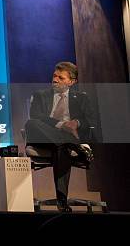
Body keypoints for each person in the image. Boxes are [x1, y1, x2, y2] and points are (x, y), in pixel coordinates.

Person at [25, 61, 96, 212]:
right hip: (44, 137)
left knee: (61, 147)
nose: (55, 80)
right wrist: (61, 124)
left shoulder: (81, 98)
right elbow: (36, 116)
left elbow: (91, 120)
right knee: (31, 123)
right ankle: (72, 145)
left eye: (61, 78)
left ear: (72, 82)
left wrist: (76, 122)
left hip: (66, 139)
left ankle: (61, 202)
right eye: (54, 76)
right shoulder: (40, 95)